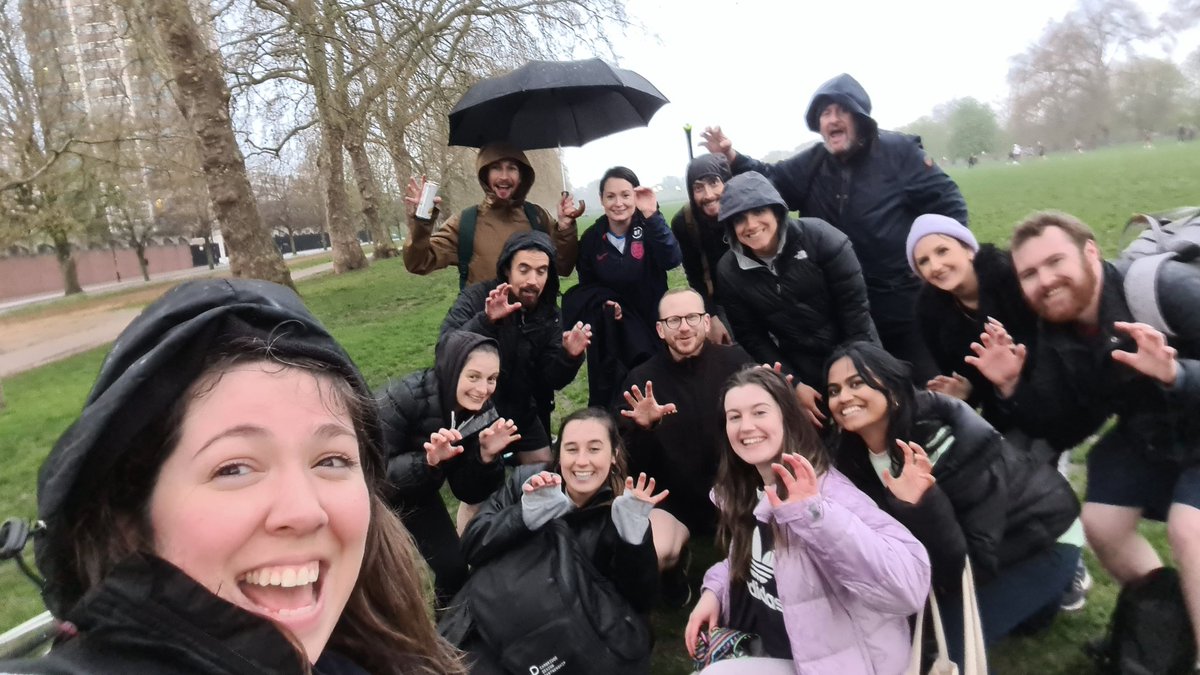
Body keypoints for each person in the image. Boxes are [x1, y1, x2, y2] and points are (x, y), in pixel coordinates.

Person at [1, 279, 463, 674]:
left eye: (331, 460)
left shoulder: (375, 653)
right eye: (235, 468)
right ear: (128, 518)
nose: (304, 511)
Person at [967, 210, 1200, 653]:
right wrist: (1012, 388)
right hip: (1156, 433)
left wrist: (1177, 374)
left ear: (1090, 252)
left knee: (1191, 529)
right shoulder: (1059, 333)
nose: (1046, 280)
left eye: (1056, 262)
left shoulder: (1164, 289)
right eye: (1030, 273)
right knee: (1103, 524)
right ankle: (1167, 629)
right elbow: (1064, 427)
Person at [825, 341, 1083, 666]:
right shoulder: (850, 455)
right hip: (985, 545)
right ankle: (1036, 609)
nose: (843, 397)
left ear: (892, 390)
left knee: (945, 651)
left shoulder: (950, 446)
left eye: (856, 383)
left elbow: (973, 561)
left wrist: (922, 504)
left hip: (1043, 536)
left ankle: (1053, 585)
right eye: (834, 390)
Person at [702, 73, 968, 382]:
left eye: (840, 110)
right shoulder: (813, 162)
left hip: (899, 302)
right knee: (863, 386)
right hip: (838, 305)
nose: (832, 119)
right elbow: (770, 183)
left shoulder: (900, 153)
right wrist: (733, 157)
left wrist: (938, 258)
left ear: (861, 117)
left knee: (923, 385)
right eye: (824, 113)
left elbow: (949, 202)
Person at [684, 367, 929, 674]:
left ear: (786, 417)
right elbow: (753, 558)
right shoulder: (751, 489)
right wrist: (715, 592)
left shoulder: (828, 495)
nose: (746, 426)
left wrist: (815, 517)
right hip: (784, 653)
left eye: (759, 412)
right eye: (735, 417)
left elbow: (907, 589)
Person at [442, 408, 661, 675]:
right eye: (571, 449)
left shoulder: (618, 514)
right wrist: (523, 515)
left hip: (555, 639)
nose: (581, 462)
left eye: (594, 449)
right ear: (559, 455)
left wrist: (633, 539)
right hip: (485, 615)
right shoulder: (527, 482)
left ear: (613, 455)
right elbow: (472, 547)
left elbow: (637, 603)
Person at [615, 289, 755, 605]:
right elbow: (630, 466)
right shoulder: (642, 380)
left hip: (736, 489)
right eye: (673, 320)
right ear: (660, 329)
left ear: (706, 322)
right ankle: (675, 574)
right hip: (674, 502)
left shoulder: (737, 362)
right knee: (659, 551)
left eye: (692, 317)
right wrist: (645, 427)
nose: (684, 327)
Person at [376, 331, 520, 605]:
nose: (483, 389)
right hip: (369, 500)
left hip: (418, 493)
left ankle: (448, 635)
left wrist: (485, 457)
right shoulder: (402, 397)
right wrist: (428, 461)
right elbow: (372, 473)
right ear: (452, 369)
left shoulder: (482, 414)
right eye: (474, 376)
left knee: (453, 568)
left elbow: (467, 490)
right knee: (385, 586)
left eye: (492, 379)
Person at [714, 170, 877, 404]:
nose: (751, 225)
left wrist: (847, 377)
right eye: (739, 218)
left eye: (759, 211)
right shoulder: (729, 271)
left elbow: (855, 311)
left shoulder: (821, 238)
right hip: (801, 366)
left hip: (859, 351)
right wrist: (793, 383)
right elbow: (752, 337)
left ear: (777, 211)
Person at [440, 230, 590, 465]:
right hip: (476, 407)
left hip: (522, 408)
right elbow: (445, 349)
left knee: (545, 470)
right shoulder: (477, 297)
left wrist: (569, 356)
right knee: (480, 488)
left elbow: (551, 379)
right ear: (507, 269)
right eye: (524, 269)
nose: (533, 280)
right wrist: (486, 321)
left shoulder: (549, 314)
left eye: (541, 271)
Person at [564, 166, 683, 406]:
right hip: (609, 332)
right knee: (613, 398)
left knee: (655, 390)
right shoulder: (592, 238)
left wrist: (653, 215)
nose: (618, 203)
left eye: (626, 195)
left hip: (651, 324)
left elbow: (672, 259)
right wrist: (604, 304)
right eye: (611, 196)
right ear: (602, 200)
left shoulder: (650, 226)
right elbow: (587, 288)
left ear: (636, 197)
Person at [907, 214, 1038, 426]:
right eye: (924, 261)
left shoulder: (1012, 279)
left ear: (968, 250)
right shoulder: (930, 312)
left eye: (942, 251)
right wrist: (966, 392)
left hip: (1052, 391)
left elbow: (1051, 344)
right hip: (1000, 409)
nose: (936, 266)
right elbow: (963, 375)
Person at [403, 141, 583, 287]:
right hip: (483, 328)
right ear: (485, 175)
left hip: (534, 327)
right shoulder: (465, 223)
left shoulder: (537, 217)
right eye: (496, 168)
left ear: (521, 176)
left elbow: (563, 267)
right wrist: (421, 220)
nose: (504, 176)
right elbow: (418, 263)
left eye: (512, 168)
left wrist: (565, 228)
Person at [670, 153, 735, 344]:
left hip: (757, 294)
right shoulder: (685, 222)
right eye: (698, 188)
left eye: (714, 183)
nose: (708, 195)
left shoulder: (744, 209)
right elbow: (695, 275)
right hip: (720, 303)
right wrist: (712, 317)